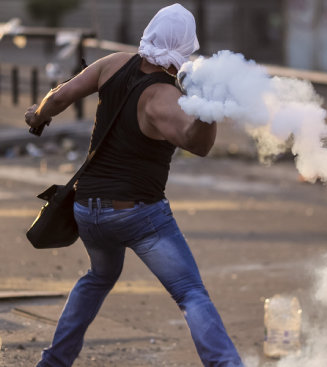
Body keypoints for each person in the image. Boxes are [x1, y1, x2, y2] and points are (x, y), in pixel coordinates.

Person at [25, 4, 244, 367]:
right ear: (185, 48)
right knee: (190, 293)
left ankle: (53, 362)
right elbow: (199, 145)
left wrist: (38, 115)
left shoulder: (113, 64)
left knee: (99, 276)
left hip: (88, 212)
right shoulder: (165, 99)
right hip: (137, 215)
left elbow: (60, 96)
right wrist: (209, 107)